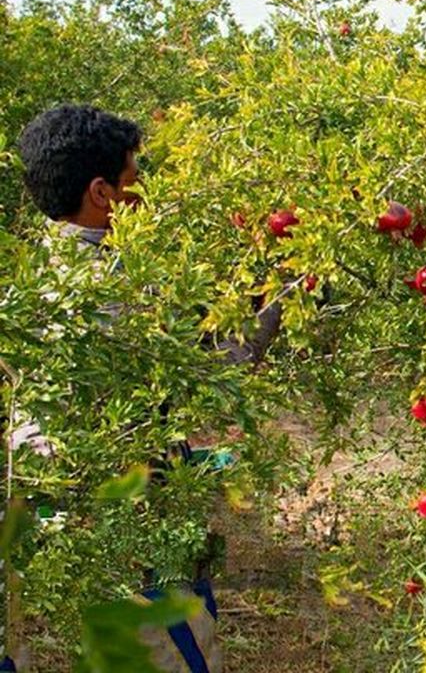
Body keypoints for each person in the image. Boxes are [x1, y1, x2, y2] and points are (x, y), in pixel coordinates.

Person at [13, 104, 281, 672]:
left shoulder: (43, 264)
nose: (148, 192)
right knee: (168, 644)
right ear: (102, 193)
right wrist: (284, 286)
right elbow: (222, 370)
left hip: (61, 497)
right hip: (126, 504)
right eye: (136, 178)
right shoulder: (111, 290)